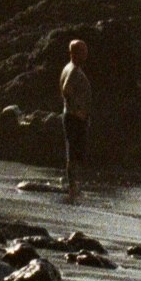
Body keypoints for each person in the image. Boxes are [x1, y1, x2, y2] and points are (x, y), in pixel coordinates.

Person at [59, 35, 93, 200]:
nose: (86, 55)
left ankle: (74, 185)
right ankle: (73, 186)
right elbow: (66, 90)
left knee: (75, 152)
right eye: (83, 52)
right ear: (75, 53)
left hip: (73, 116)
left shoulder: (70, 68)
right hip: (73, 117)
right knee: (74, 152)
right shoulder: (72, 69)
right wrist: (77, 109)